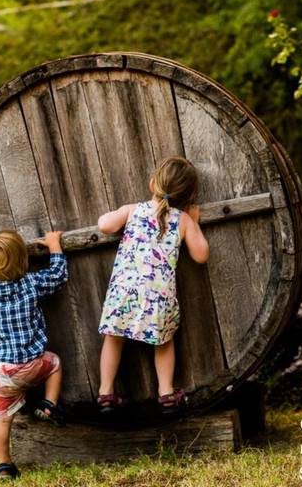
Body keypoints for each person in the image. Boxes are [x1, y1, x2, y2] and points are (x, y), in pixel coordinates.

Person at [95, 156, 209, 415]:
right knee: (164, 342)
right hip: (158, 298)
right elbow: (201, 255)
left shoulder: (132, 210)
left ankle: (105, 394)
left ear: (152, 184)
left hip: (124, 294)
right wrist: (195, 222)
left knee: (113, 339)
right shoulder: (183, 221)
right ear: (188, 196)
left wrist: (116, 214)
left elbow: (104, 225)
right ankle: (166, 393)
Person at [0, 229, 67, 480]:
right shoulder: (30, 283)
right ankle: (49, 404)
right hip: (32, 365)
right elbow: (58, 275)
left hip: (1, 374)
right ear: (23, 261)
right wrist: (54, 245)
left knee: (2, 421)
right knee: (54, 363)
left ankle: (4, 465)